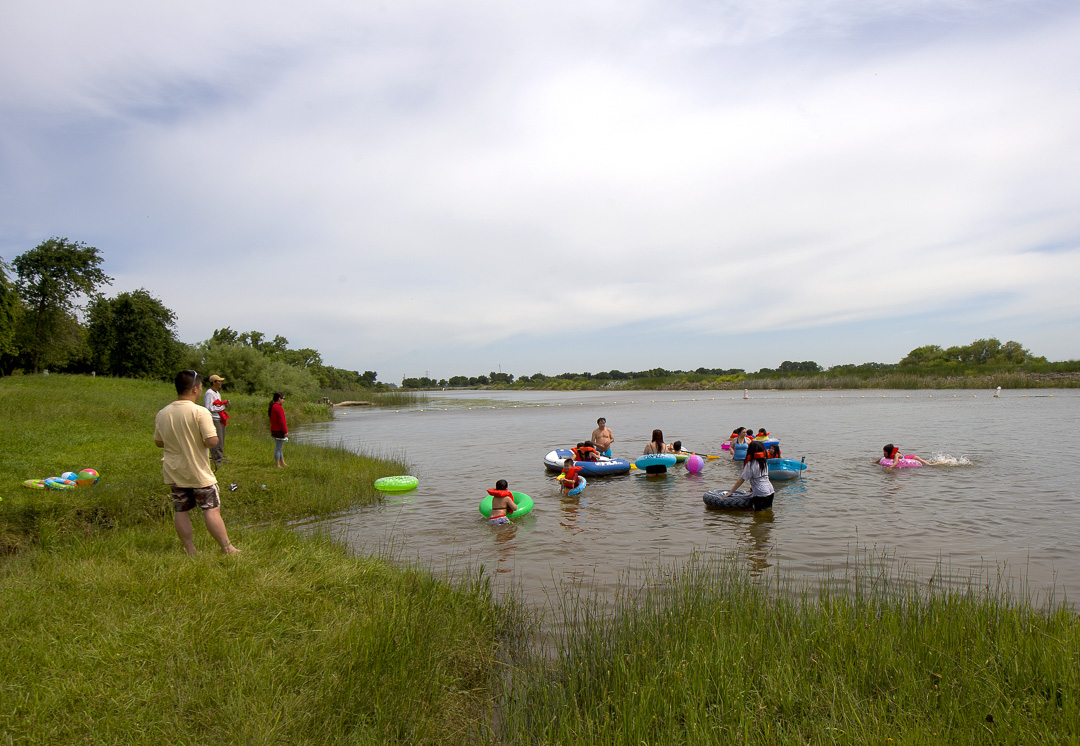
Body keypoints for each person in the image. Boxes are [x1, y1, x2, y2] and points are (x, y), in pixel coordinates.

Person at [154, 370, 240, 555]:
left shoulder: (162, 413)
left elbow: (159, 442)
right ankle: (228, 548)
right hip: (198, 471)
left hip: (174, 471)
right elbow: (211, 441)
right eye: (200, 387)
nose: (201, 390)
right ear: (195, 389)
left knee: (181, 510)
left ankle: (191, 550)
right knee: (211, 509)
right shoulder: (200, 412)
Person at [726, 440, 774, 511]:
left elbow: (741, 479)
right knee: (768, 511)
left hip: (760, 492)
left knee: (758, 516)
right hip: (770, 490)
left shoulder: (751, 464)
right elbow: (761, 476)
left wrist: (731, 492)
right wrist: (751, 488)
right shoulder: (764, 462)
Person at [203, 374, 229, 466]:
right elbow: (209, 407)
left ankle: (220, 457)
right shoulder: (209, 393)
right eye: (219, 381)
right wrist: (222, 407)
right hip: (214, 418)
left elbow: (218, 405)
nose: (220, 383)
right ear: (213, 382)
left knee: (222, 438)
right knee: (218, 439)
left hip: (220, 417)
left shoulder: (217, 393)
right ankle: (216, 459)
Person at [268, 392, 288, 468]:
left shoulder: (273, 406)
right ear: (279, 398)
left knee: (280, 447)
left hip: (274, 430)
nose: (284, 400)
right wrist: (285, 431)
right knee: (278, 448)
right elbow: (282, 421)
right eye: (283, 398)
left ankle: (282, 462)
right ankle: (277, 464)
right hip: (279, 430)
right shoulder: (278, 408)